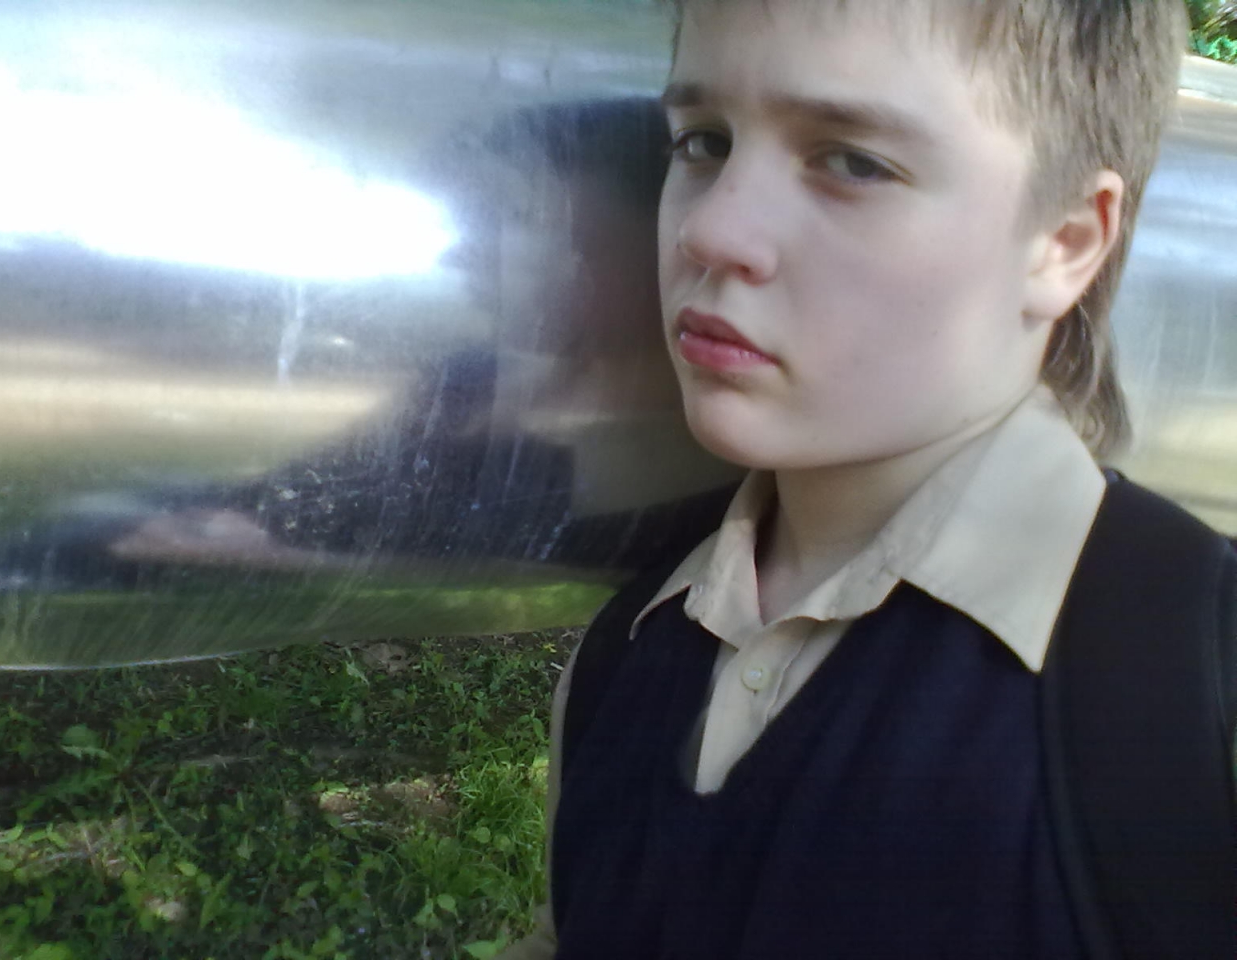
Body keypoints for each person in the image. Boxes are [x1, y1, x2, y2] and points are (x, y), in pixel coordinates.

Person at [500, 0, 1236, 957]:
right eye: (704, 142)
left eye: (853, 161)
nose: (712, 231)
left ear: (1065, 241)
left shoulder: (1201, 690)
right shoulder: (626, 653)